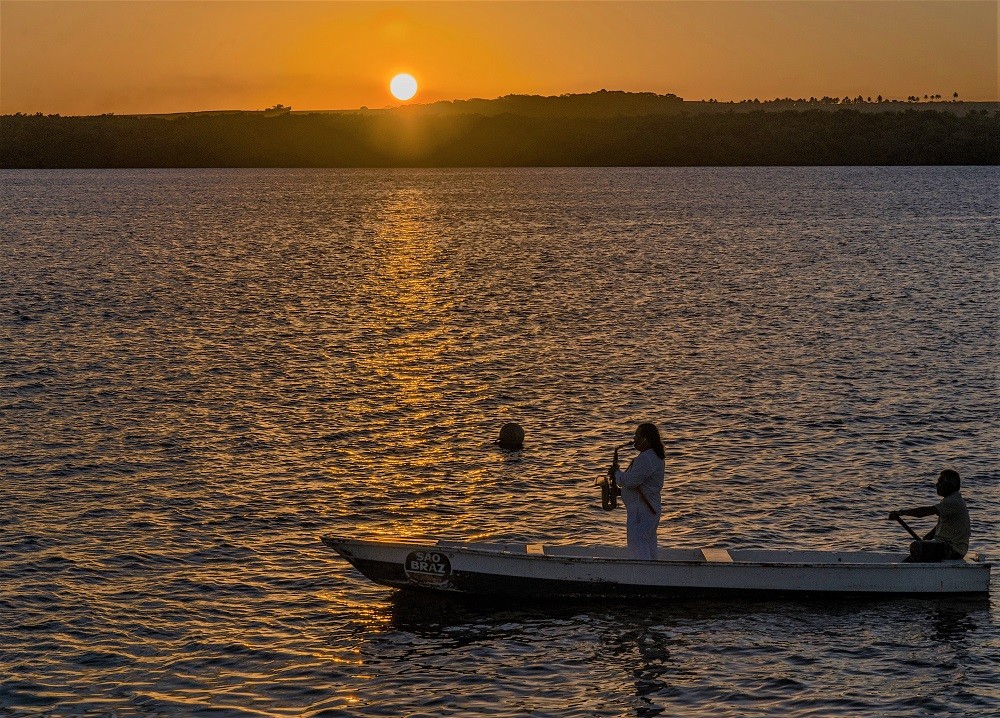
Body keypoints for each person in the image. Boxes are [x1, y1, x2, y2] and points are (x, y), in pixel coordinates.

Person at [888, 469, 970, 562]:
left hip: (954, 549)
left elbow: (926, 511)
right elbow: (942, 525)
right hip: (948, 546)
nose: (936, 484)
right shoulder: (951, 500)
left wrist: (902, 512)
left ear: (951, 485)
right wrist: (927, 538)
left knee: (917, 547)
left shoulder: (953, 501)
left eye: (941, 482)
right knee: (920, 547)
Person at [614, 423, 665, 560]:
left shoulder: (646, 458)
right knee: (648, 545)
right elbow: (641, 484)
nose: (634, 439)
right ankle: (652, 572)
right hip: (647, 510)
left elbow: (631, 481)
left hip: (641, 512)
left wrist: (616, 474)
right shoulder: (653, 456)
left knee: (638, 546)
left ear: (646, 439)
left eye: (637, 435)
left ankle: (642, 572)